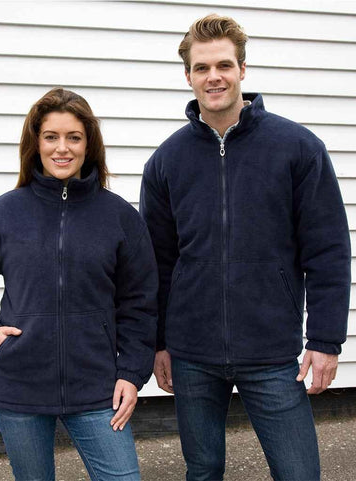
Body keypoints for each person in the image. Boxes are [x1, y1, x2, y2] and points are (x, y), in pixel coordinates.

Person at [140, 14, 351, 481]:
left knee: (299, 473)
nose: (213, 77)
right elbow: (156, 263)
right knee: (203, 471)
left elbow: (328, 250)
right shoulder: (166, 161)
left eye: (223, 65)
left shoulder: (298, 148)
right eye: (201, 68)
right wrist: (158, 343)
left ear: (242, 69)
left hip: (271, 351)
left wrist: (325, 340)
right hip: (191, 352)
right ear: (188, 76)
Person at [0, 88, 158, 481]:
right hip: (20, 385)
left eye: (74, 137)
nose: (62, 148)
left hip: (97, 387)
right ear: (36, 143)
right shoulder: (2, 214)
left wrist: (131, 372)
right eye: (51, 137)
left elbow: (140, 303)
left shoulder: (119, 217)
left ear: (88, 145)